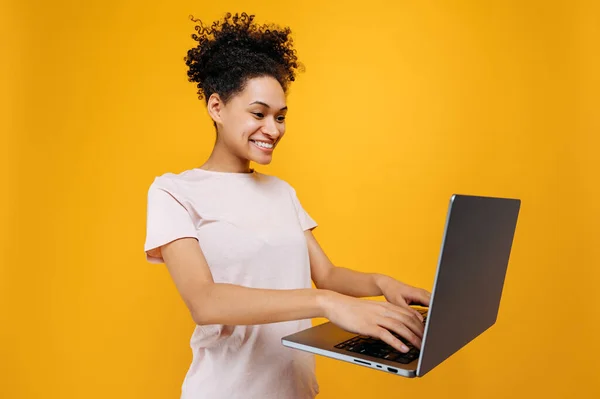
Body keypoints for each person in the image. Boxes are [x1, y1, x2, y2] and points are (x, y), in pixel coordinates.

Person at [144, 12, 431, 399]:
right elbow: (205, 302)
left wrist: (382, 284)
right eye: (258, 114)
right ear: (216, 107)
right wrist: (326, 304)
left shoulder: (282, 192)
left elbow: (326, 275)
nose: (273, 129)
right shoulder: (174, 192)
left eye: (280, 117)